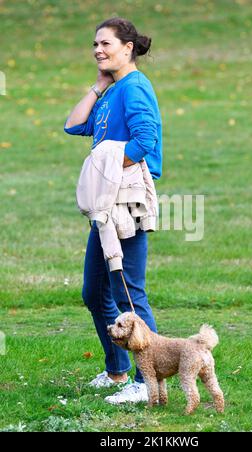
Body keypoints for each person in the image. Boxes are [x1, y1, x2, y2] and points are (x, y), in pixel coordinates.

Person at [64, 17, 163, 404]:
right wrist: (99, 85)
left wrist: (110, 171)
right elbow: (73, 125)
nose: (98, 51)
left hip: (126, 200)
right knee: (95, 292)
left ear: (128, 47)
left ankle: (147, 381)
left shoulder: (136, 87)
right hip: (107, 203)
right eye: (94, 45)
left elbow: (145, 139)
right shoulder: (113, 91)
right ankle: (118, 370)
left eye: (105, 44)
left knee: (128, 293)